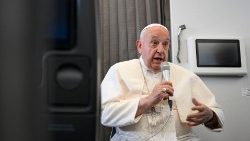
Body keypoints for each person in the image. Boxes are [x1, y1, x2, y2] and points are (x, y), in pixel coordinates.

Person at [101, 23, 224, 141]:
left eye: (165, 44)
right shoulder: (119, 71)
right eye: (154, 43)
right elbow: (105, 114)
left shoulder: (185, 75)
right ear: (139, 46)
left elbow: (217, 114)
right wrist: (148, 100)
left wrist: (210, 116)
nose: (161, 50)